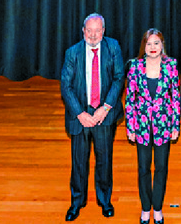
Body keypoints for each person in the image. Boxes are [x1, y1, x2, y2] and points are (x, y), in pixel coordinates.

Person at [61, 13, 126, 221]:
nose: (93, 35)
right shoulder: (73, 53)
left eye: (97, 31)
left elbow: (118, 79)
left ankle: (104, 201)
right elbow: (66, 86)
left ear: (103, 31)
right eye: (89, 30)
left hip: (103, 115)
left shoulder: (112, 47)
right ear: (83, 31)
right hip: (80, 115)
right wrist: (80, 113)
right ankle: (76, 202)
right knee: (79, 162)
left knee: (104, 160)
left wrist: (105, 108)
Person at [125, 29, 181, 224]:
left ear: (162, 45)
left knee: (161, 167)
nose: (153, 47)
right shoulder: (135, 67)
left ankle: (157, 207)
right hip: (141, 127)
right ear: (144, 46)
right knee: (143, 168)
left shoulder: (171, 65)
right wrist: (130, 127)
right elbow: (130, 99)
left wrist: (175, 124)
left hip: (163, 127)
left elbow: (175, 98)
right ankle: (145, 208)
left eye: (156, 43)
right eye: (149, 44)